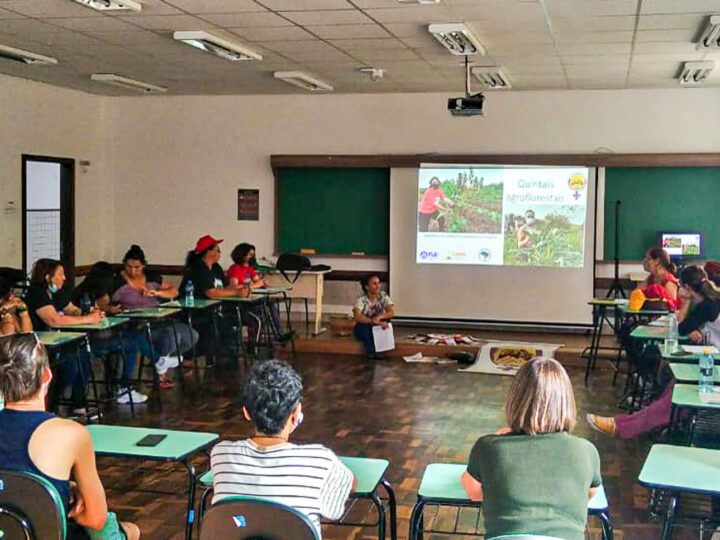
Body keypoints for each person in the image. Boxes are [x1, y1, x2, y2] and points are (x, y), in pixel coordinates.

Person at [0, 333, 140, 540]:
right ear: (47, 376)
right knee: (130, 531)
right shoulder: (70, 433)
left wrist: (67, 488)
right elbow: (95, 519)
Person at [210, 359, 355, 538]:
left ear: (246, 412)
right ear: (296, 413)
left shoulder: (220, 454)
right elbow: (333, 511)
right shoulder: (320, 460)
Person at [462, 357, 602, 540]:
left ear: (515, 400)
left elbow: (473, 493)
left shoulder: (488, 447)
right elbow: (589, 493)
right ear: (566, 403)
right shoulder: (586, 451)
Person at [588, 265, 720, 438]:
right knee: (671, 386)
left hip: (714, 367)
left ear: (687, 288)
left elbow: (682, 327)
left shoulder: (708, 306)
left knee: (674, 393)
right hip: (711, 361)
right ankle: (627, 424)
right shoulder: (708, 301)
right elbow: (686, 325)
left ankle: (622, 426)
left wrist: (686, 304)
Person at [23, 258, 147, 410]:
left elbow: (72, 309)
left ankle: (78, 402)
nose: (64, 278)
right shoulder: (37, 293)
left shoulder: (57, 292)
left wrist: (90, 313)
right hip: (42, 345)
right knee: (74, 359)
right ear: (48, 277)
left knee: (85, 353)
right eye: (60, 274)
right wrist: (87, 319)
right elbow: (53, 320)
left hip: (62, 341)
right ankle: (52, 402)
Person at [113, 244, 199, 386]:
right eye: (129, 267)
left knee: (191, 335)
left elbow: (174, 292)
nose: (133, 271)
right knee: (170, 337)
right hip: (136, 323)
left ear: (144, 265)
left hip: (159, 318)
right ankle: (160, 372)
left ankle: (163, 361)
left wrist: (157, 293)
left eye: (137, 267)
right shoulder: (117, 281)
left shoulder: (152, 277)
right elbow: (106, 302)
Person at [228, 243, 291, 344]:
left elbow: (257, 281)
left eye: (253, 255)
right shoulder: (235, 268)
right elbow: (233, 287)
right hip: (240, 303)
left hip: (249, 299)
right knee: (265, 309)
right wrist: (253, 286)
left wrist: (263, 283)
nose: (252, 257)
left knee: (271, 305)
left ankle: (279, 335)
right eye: (250, 255)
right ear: (242, 255)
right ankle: (258, 343)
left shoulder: (249, 269)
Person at [352, 275, 394, 359]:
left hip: (377, 324)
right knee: (364, 326)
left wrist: (379, 318)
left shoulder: (383, 296)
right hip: (364, 326)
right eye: (374, 284)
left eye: (378, 283)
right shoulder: (361, 299)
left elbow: (392, 312)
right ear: (367, 287)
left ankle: (381, 349)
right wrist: (373, 321)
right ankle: (370, 351)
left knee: (385, 322)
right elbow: (357, 317)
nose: (378, 286)